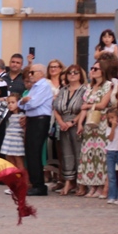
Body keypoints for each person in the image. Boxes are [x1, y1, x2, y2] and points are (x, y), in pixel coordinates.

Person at [76, 58, 115, 198]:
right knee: (89, 154)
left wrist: (88, 106)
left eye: (95, 69)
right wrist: (80, 123)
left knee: (100, 154)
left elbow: (103, 104)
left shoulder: (108, 85)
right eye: (92, 68)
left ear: (103, 71)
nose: (92, 71)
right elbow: (83, 107)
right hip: (89, 123)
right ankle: (92, 185)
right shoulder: (89, 87)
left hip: (102, 123)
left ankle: (101, 185)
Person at [52, 64, 86, 196]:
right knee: (66, 153)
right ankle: (69, 181)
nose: (72, 75)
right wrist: (61, 122)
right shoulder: (63, 90)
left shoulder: (84, 90)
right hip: (63, 124)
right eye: (70, 72)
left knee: (78, 153)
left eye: (75, 72)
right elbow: (55, 107)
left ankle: (81, 183)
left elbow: (84, 108)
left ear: (80, 75)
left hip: (77, 122)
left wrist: (73, 122)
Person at [19, 63, 53, 196]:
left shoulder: (44, 86)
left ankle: (39, 185)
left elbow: (33, 103)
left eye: (32, 72)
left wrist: (25, 102)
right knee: (30, 151)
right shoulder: (34, 87)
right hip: (32, 119)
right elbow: (21, 104)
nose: (30, 75)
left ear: (41, 73)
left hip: (40, 120)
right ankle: (34, 183)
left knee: (34, 152)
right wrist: (24, 101)